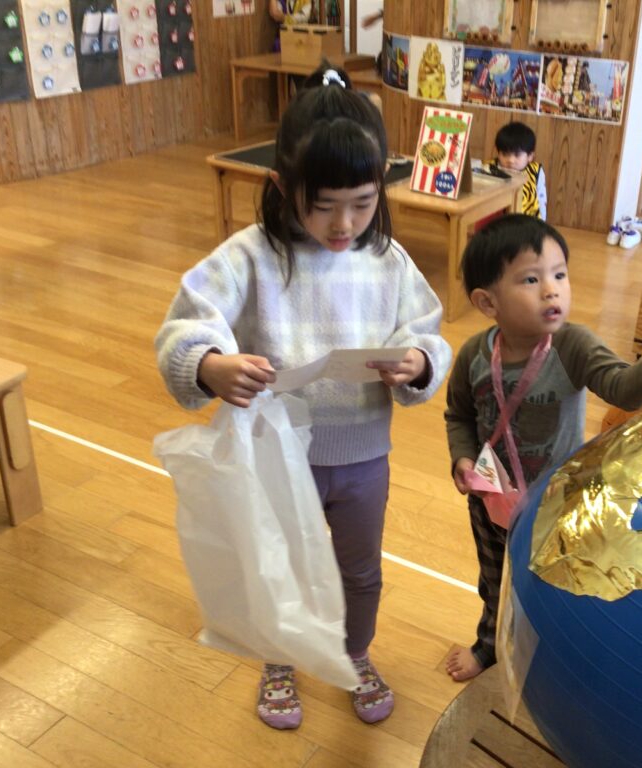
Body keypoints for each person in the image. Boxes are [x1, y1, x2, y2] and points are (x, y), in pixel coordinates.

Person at [155, 64, 452, 729]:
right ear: (280, 186)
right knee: (280, 566)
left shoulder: (387, 260)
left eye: (362, 203)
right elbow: (185, 324)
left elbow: (427, 333)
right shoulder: (249, 256)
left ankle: (354, 653)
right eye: (323, 205)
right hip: (278, 455)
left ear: (382, 186)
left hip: (362, 455)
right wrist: (209, 365)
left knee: (361, 571)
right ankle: (280, 657)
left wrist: (418, 362)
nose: (344, 223)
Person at [443, 214, 642, 682]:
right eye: (531, 279)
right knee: (495, 580)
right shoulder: (475, 354)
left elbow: (623, 388)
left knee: (557, 583)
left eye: (559, 275)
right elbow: (458, 413)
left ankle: (555, 653)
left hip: (558, 505)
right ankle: (489, 644)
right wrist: (461, 456)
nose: (551, 290)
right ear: (486, 301)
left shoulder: (571, 345)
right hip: (490, 498)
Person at [492, 122, 547, 221]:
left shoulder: (536, 171)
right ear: (498, 152)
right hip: (497, 223)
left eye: (517, 155)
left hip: (527, 222)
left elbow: (542, 200)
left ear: (530, 156)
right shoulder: (490, 168)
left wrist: (542, 223)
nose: (511, 160)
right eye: (505, 154)